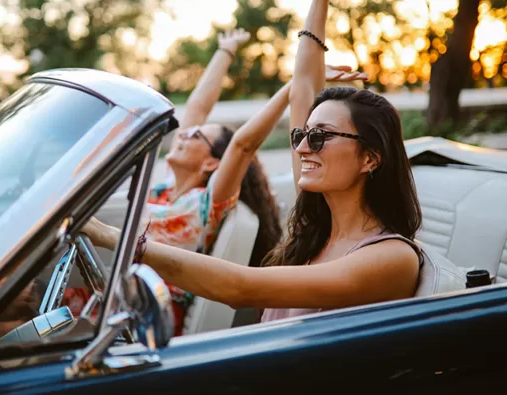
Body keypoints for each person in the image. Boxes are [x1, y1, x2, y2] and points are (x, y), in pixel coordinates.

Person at [82, 0, 422, 323]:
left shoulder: (392, 258)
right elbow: (303, 83)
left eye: (319, 137)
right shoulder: (315, 227)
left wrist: (111, 236)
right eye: (300, 136)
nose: (303, 148)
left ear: (370, 159)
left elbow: (240, 288)